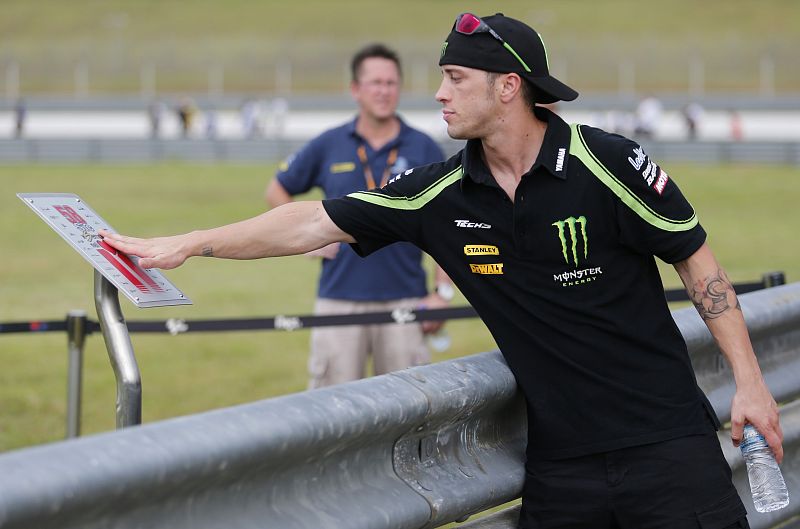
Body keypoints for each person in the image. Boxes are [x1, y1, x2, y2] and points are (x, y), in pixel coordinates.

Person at [100, 12, 782, 528]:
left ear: (508, 87)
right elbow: (310, 221)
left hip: (670, 450)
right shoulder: (438, 193)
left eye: (456, 78)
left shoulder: (606, 162)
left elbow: (696, 260)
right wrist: (190, 241)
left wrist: (750, 385)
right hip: (562, 468)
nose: (439, 94)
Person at [265, 43, 452, 389]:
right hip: (339, 301)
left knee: (410, 412)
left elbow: (445, 225)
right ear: (355, 89)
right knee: (332, 415)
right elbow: (277, 188)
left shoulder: (424, 148)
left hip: (405, 301)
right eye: (375, 82)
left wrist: (442, 293)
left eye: (391, 83)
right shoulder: (328, 144)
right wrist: (308, 243)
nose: (384, 91)